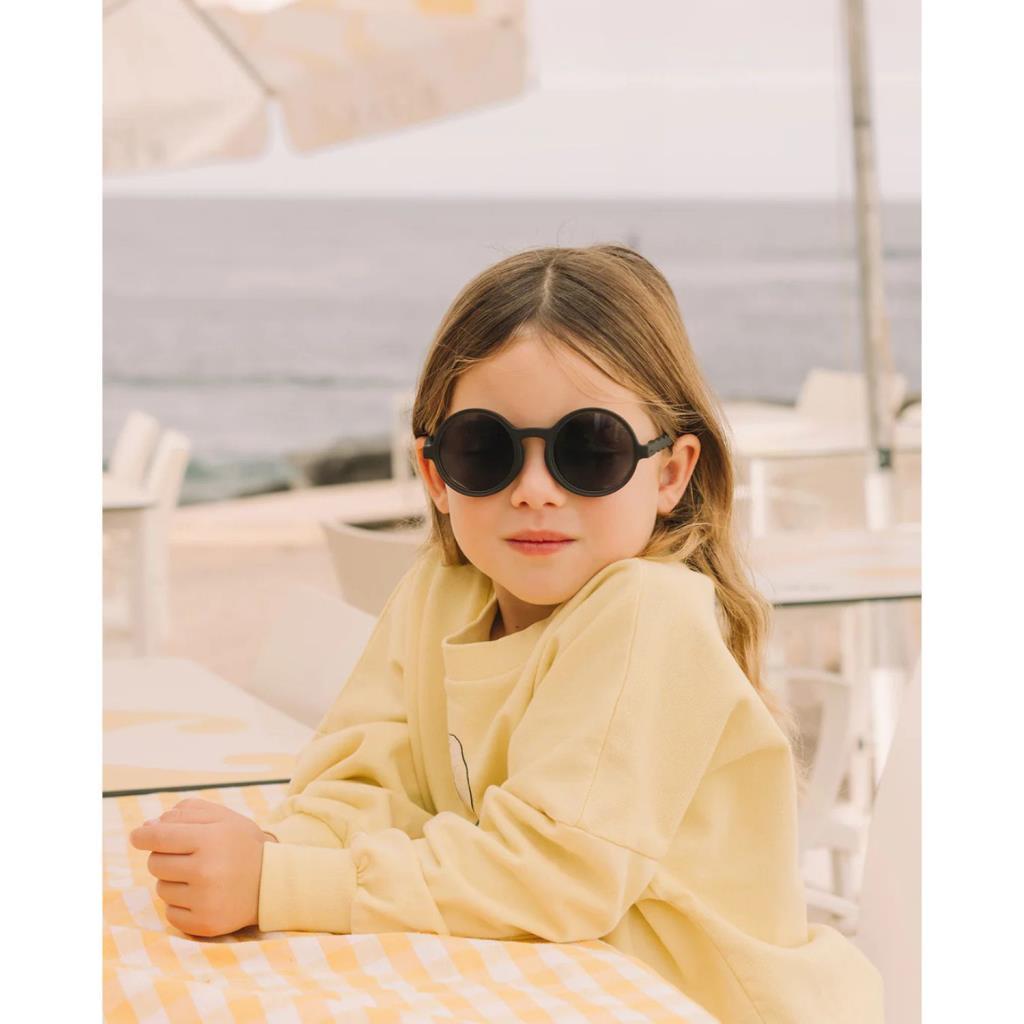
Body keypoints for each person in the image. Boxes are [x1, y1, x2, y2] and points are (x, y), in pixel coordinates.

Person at [131, 245, 884, 1022]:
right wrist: (273, 852)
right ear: (436, 473)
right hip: (529, 983)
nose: (533, 490)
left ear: (669, 473)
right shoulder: (440, 589)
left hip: (699, 1004)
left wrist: (279, 884)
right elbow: (361, 784)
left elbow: (550, 877)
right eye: (484, 449)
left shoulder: (648, 612)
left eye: (589, 450)